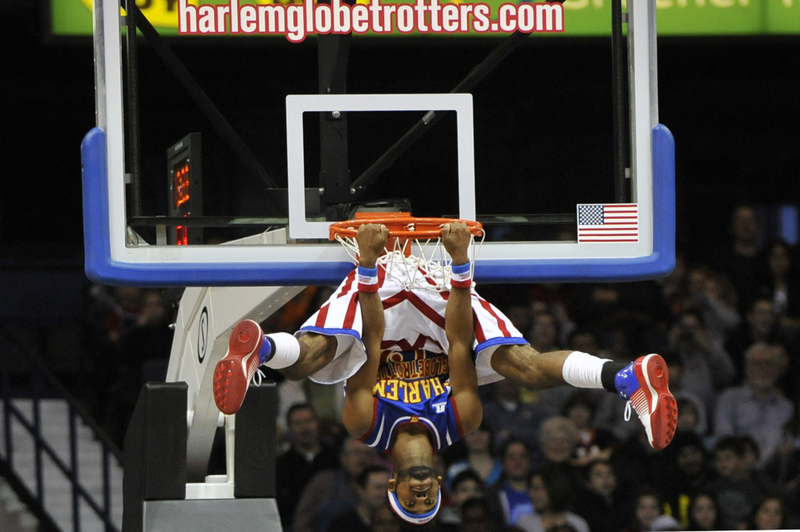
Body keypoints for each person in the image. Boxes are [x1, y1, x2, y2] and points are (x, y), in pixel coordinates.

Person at [212, 223, 678, 518]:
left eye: (411, 499)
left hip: (377, 301)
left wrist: (370, 265)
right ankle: (626, 377)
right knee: (521, 364)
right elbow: (458, 344)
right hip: (440, 299)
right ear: (438, 483)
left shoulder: (364, 424)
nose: (420, 494)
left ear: (392, 482)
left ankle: (262, 349)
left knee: (320, 358)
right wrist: (459, 264)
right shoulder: (462, 420)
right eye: (427, 500)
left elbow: (372, 341)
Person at [517, 466, 590, 532]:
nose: (532, 494)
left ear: (553, 488)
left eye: (537, 488)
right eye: (531, 489)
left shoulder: (578, 524)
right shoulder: (525, 523)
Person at [326, 466, 391, 532]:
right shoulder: (342, 525)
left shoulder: (399, 522)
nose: (385, 493)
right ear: (361, 490)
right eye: (378, 487)